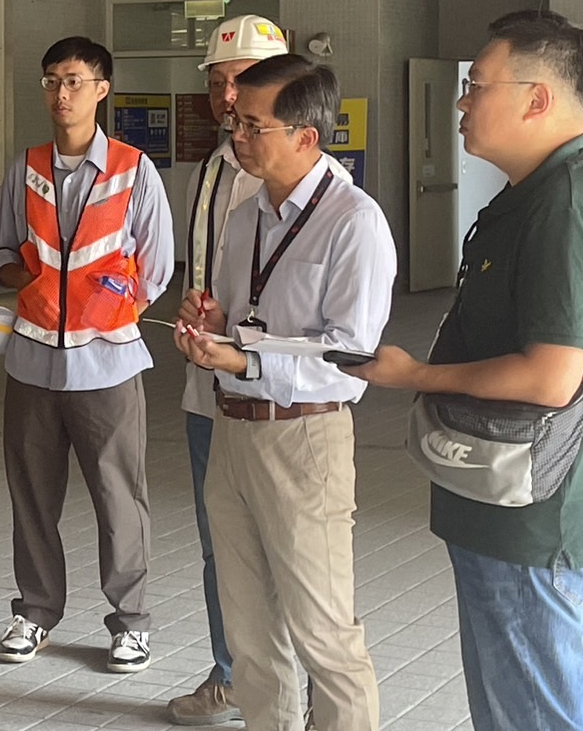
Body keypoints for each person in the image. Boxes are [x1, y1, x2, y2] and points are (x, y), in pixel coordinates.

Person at [356, 10, 583, 731]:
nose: (459, 102)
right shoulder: (532, 195)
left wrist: (412, 375)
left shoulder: (569, 207)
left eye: (475, 86)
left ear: (536, 98)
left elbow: (550, 378)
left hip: (535, 526)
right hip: (501, 508)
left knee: (532, 719)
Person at [175, 54, 390, 731]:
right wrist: (213, 327)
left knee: (322, 634)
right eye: (235, 122)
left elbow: (348, 356)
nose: (237, 137)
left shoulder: (353, 223)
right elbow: (248, 326)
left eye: (253, 126)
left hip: (304, 439)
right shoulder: (246, 218)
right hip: (232, 431)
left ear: (306, 135)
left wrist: (242, 361)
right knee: (250, 632)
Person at [0, 35, 173, 673]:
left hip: (108, 363)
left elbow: (156, 266)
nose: (60, 94)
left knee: (119, 495)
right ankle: (34, 612)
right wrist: (27, 285)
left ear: (101, 89)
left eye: (73, 81)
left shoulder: (132, 168)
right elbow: (1, 250)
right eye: (51, 82)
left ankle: (131, 623)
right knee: (31, 496)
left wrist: (106, 311)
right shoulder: (27, 166)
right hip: (32, 361)